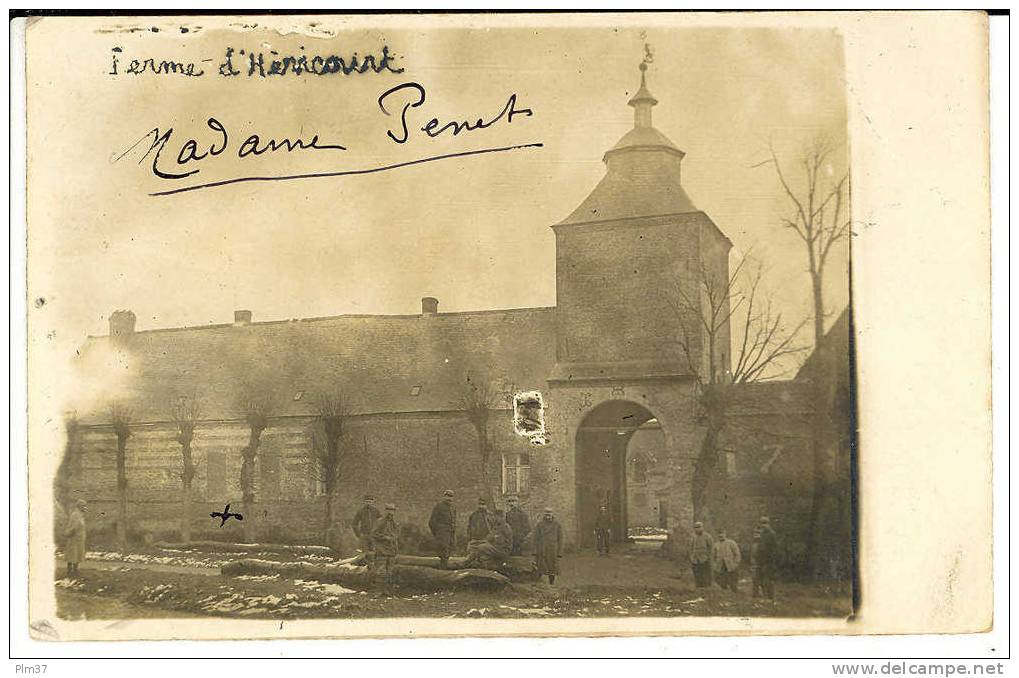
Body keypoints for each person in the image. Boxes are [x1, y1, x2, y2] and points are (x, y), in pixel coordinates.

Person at [369, 504, 400, 592]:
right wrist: (385, 538)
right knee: (380, 572)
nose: (391, 513)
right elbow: (374, 534)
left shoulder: (394, 523)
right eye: (389, 510)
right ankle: (379, 591)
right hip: (381, 550)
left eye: (393, 510)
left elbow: (396, 535)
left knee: (390, 572)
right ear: (385, 511)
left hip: (391, 551)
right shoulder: (379, 522)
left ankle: (387, 591)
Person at [532, 507, 562, 585]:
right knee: (540, 568)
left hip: (552, 549)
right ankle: (539, 585)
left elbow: (560, 539)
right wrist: (535, 551)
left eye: (550, 513)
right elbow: (536, 538)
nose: (548, 515)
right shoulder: (540, 524)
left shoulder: (557, 524)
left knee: (552, 568)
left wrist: (559, 552)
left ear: (552, 514)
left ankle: (551, 584)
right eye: (546, 513)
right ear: (544, 515)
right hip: (542, 549)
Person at [428, 489, 457, 569]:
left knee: (450, 551)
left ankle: (446, 570)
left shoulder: (453, 508)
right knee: (443, 553)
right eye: (447, 496)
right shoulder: (439, 506)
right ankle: (443, 571)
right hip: (442, 533)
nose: (449, 498)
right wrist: (438, 533)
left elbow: (454, 521)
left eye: (451, 496)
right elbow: (431, 522)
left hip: (451, 533)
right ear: (444, 496)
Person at [755, 516, 778, 600]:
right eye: (761, 523)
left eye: (765, 523)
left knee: (769, 579)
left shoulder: (772, 534)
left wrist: (770, 562)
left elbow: (774, 550)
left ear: (768, 524)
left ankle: (771, 597)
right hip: (761, 561)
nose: (763, 525)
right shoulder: (763, 534)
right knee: (760, 579)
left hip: (769, 561)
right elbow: (760, 548)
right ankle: (764, 596)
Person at [63, 498, 87, 578]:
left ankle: (75, 570)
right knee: (72, 555)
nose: (85, 508)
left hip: (79, 539)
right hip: (74, 539)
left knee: (77, 555)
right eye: (83, 506)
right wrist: (69, 534)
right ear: (79, 506)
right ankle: (70, 571)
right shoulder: (75, 515)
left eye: (85, 506)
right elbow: (73, 527)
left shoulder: (80, 515)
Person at [689, 521, 714, 588]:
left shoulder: (707, 537)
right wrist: (691, 557)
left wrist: (708, 557)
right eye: (696, 527)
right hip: (695, 559)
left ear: (702, 528)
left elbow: (711, 548)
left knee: (705, 574)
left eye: (699, 527)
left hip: (704, 559)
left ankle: (707, 588)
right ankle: (698, 587)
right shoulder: (693, 537)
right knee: (697, 574)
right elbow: (691, 547)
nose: (697, 529)